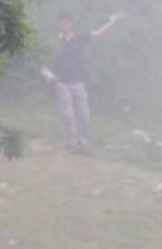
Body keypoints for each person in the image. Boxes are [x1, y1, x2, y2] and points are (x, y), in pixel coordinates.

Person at [40, 12, 125, 154]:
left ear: (72, 25)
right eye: (62, 23)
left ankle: (83, 145)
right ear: (59, 25)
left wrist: (112, 22)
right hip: (62, 83)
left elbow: (97, 33)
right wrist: (48, 75)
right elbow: (43, 64)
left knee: (84, 115)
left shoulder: (79, 39)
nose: (64, 25)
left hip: (79, 83)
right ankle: (73, 144)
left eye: (67, 22)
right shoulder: (54, 42)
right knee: (68, 115)